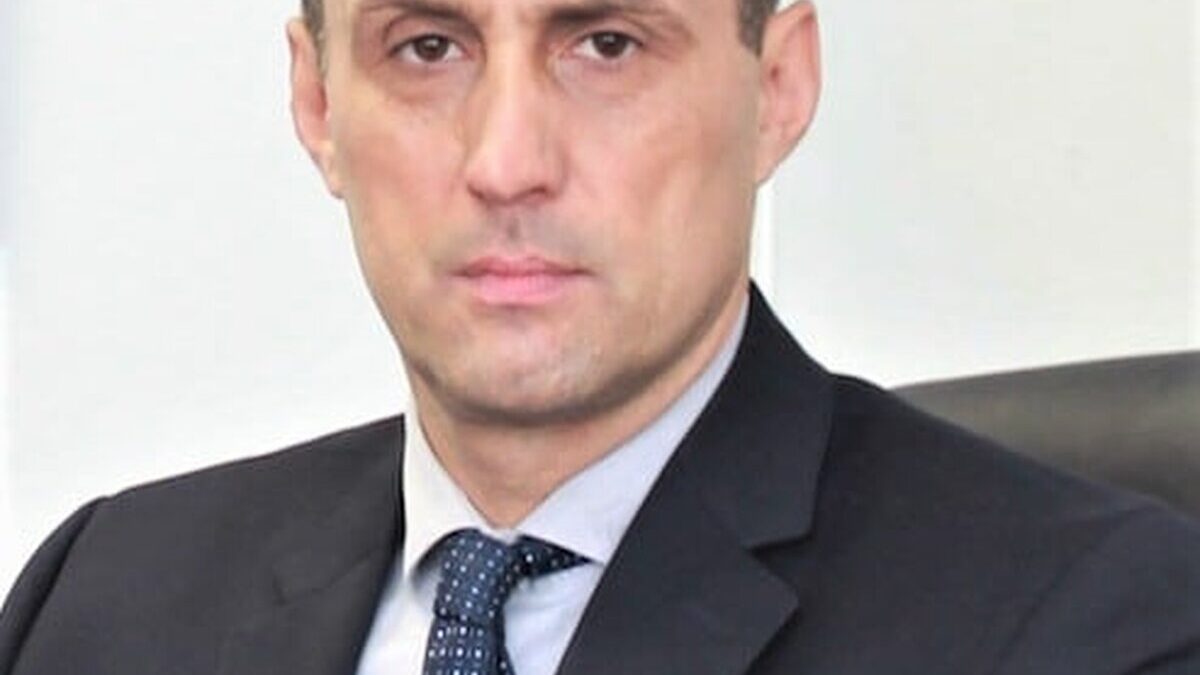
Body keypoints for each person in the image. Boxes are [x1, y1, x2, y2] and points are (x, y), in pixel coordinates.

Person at [2, 0, 1199, 672]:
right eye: (427, 48)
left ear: (778, 89)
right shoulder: (100, 603)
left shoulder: (1097, 628)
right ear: (318, 105)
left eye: (607, 44)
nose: (506, 161)